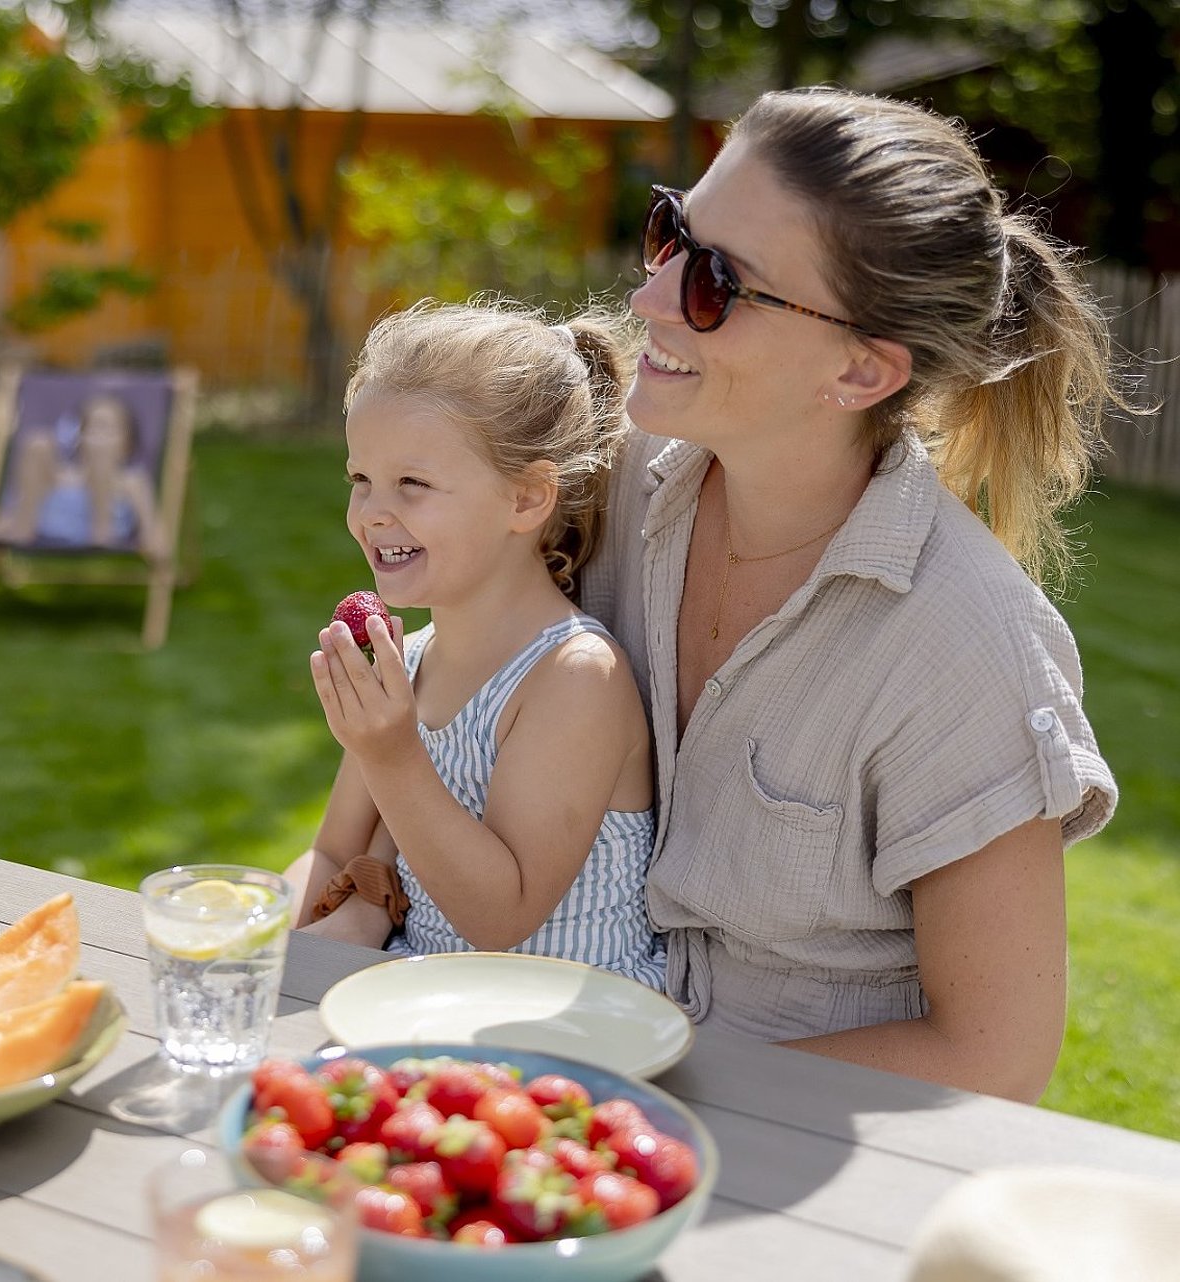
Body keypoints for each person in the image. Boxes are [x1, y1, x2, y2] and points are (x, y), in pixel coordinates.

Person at [579, 86, 1126, 1100]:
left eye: (714, 283)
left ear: (860, 372)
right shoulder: (605, 488)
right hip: (566, 1114)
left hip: (790, 1174)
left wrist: (636, 1090)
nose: (650, 294)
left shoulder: (964, 648)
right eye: (670, 231)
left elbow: (989, 1059)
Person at [284, 299, 666, 989]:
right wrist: (247, 929)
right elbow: (333, 848)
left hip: (560, 1031)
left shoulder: (575, 678)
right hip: (431, 994)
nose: (372, 511)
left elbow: (501, 917)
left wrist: (391, 751)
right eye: (361, 479)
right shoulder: (420, 658)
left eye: (413, 484)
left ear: (526, 499)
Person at [0, 392, 162, 556]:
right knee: (38, 444)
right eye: (90, 428)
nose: (98, 437)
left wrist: (155, 549)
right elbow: (16, 502)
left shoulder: (131, 480)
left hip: (101, 537)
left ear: (128, 443)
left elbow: (151, 530)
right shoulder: (63, 474)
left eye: (107, 430)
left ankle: (101, 532)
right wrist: (2, 525)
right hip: (41, 529)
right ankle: (23, 528)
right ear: (79, 438)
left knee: (101, 463)